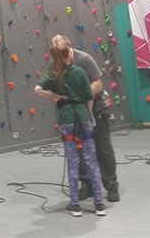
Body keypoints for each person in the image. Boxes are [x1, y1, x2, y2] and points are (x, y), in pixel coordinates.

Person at [35, 39, 107, 217]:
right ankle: (99, 203)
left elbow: (37, 89)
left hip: (66, 119)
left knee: (72, 161)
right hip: (83, 117)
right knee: (91, 160)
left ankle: (75, 204)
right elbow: (89, 95)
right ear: (68, 56)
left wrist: (51, 95)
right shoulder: (80, 73)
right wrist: (87, 113)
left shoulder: (53, 75)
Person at [52, 34, 119, 202]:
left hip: (96, 109)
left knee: (103, 148)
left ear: (69, 48)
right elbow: (52, 85)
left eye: (63, 54)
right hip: (75, 113)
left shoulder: (84, 59)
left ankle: (111, 185)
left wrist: (81, 95)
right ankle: (87, 185)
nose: (61, 60)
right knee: (79, 150)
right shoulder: (55, 63)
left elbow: (98, 83)